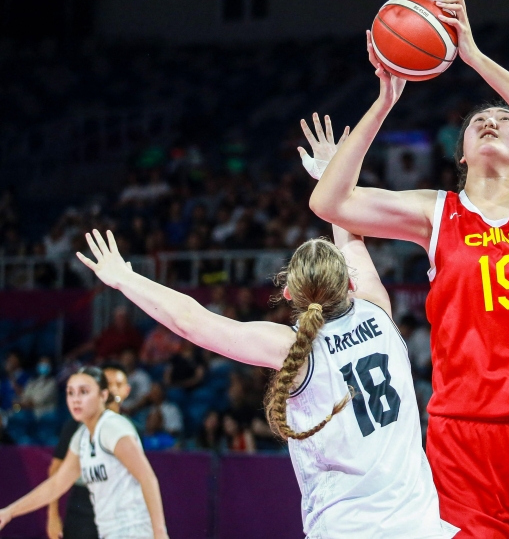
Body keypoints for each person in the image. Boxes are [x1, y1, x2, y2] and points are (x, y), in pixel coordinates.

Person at [70, 117, 455, 539]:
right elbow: (352, 241)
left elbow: (192, 321)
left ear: (288, 295)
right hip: (421, 525)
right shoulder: (378, 310)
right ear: (349, 282)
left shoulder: (294, 348)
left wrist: (125, 277)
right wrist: (331, 176)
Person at [309, 0, 509, 537]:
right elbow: (330, 203)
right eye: (479, 122)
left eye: (505, 120)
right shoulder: (435, 212)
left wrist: (472, 55)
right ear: (461, 153)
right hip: (464, 436)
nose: (491, 120)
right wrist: (386, 99)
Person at [0, 367, 168, 539]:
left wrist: (160, 533)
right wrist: (9, 512)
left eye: (84, 392)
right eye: (70, 393)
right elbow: (57, 484)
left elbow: (148, 478)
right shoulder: (82, 435)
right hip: (109, 532)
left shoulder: (113, 427)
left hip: (134, 531)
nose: (76, 400)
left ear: (103, 395)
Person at [46, 363, 132, 539]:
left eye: (118, 384)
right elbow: (55, 472)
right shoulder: (78, 426)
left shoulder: (128, 428)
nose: (113, 389)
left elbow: (144, 480)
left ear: (127, 390)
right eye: (107, 383)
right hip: (83, 503)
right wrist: (52, 516)